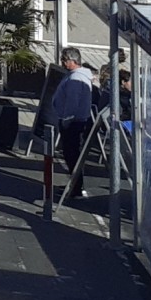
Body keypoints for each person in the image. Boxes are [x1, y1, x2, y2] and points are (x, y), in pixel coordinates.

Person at [52, 48, 96, 194]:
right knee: (70, 153)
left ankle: (76, 187)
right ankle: (74, 184)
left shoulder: (76, 78)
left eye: (65, 60)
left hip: (73, 122)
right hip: (75, 120)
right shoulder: (75, 76)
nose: (63, 63)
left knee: (71, 153)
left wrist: (66, 119)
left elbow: (72, 102)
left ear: (73, 61)